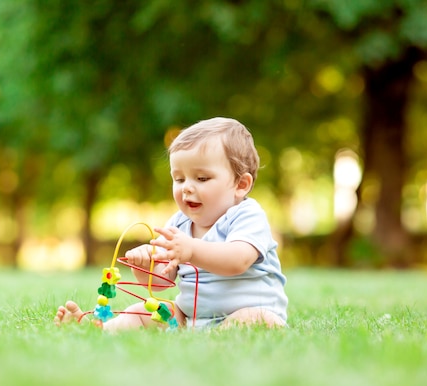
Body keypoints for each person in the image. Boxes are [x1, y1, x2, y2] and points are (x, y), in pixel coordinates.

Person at [54, 117, 288, 330]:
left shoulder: (248, 215)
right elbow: (159, 282)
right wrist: (144, 267)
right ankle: (99, 328)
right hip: (190, 318)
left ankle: (218, 336)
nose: (186, 187)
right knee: (143, 310)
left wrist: (191, 250)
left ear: (240, 185)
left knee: (256, 319)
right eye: (179, 178)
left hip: (249, 311)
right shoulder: (178, 224)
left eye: (202, 178)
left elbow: (238, 260)